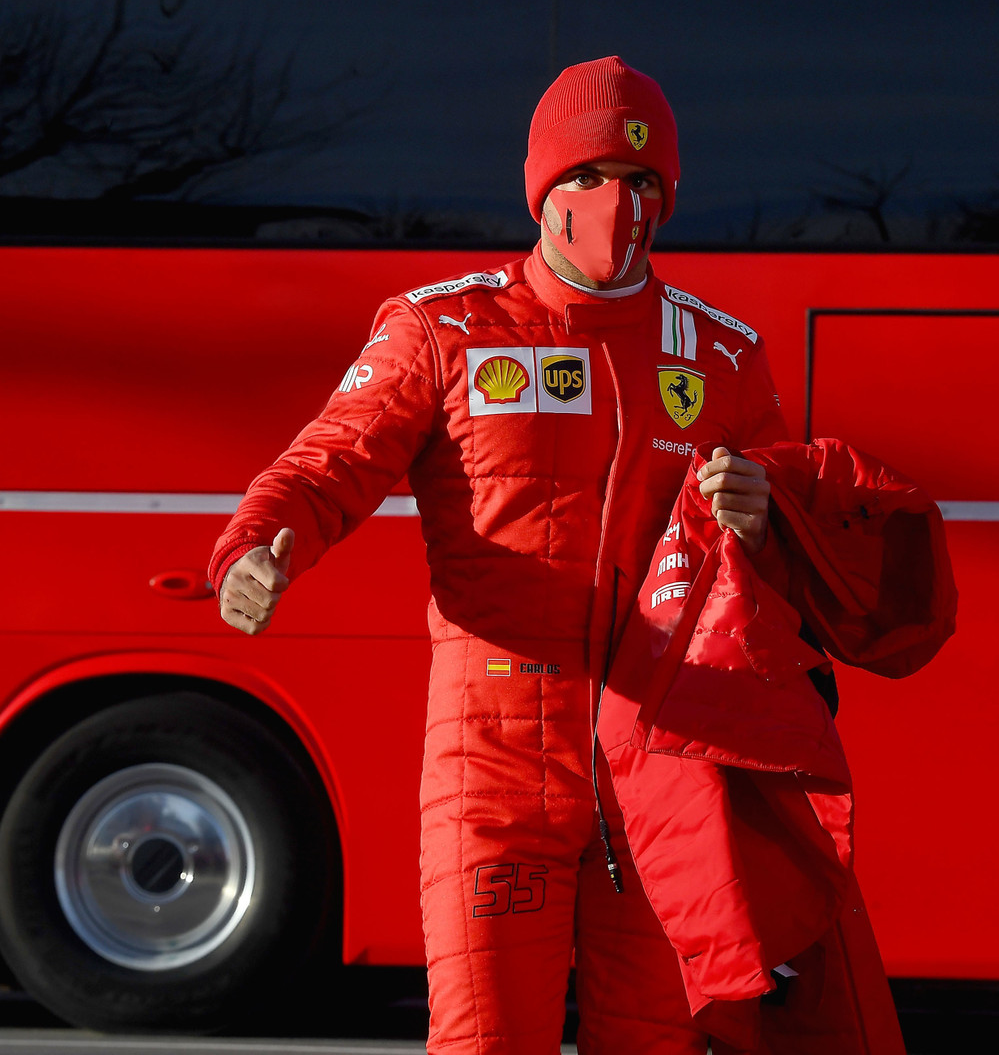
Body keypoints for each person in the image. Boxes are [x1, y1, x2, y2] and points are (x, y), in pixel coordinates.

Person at [209, 57, 809, 1054]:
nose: (616, 203)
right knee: (489, 1041)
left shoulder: (722, 356)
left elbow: (789, 564)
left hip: (665, 778)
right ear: (540, 187)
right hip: (492, 766)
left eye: (643, 182)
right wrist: (253, 554)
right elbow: (326, 466)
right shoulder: (444, 330)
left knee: (656, 1044)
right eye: (585, 178)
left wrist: (764, 517)